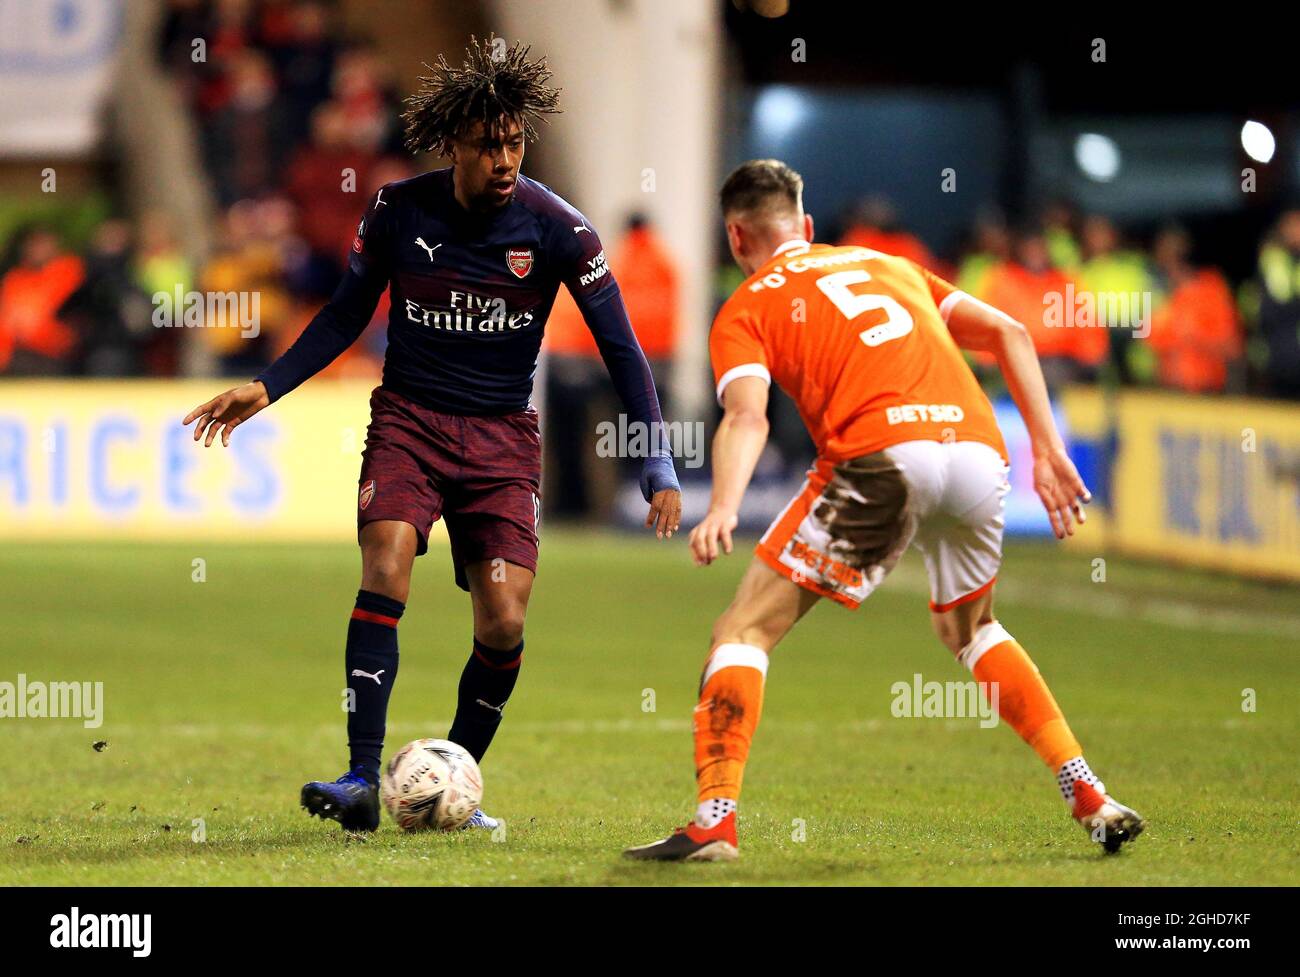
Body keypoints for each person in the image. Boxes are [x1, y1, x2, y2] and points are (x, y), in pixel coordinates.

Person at [183, 38, 682, 832]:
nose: (504, 159)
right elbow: (348, 312)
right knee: (385, 560)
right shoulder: (398, 210)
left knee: (505, 620)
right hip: (409, 423)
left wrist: (655, 455)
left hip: (502, 442)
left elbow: (622, 346)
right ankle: (357, 775)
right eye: (488, 145)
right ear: (454, 144)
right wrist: (265, 386)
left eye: (514, 141)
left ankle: (449, 777)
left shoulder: (561, 232)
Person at [625, 160, 1143, 862]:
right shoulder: (889, 264)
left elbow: (747, 418)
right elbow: (1013, 335)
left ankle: (715, 819)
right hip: (978, 454)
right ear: (807, 226)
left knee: (742, 630)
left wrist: (723, 504)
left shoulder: (746, 305)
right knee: (971, 627)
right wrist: (1048, 451)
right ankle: (1086, 790)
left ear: (736, 236)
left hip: (884, 456)